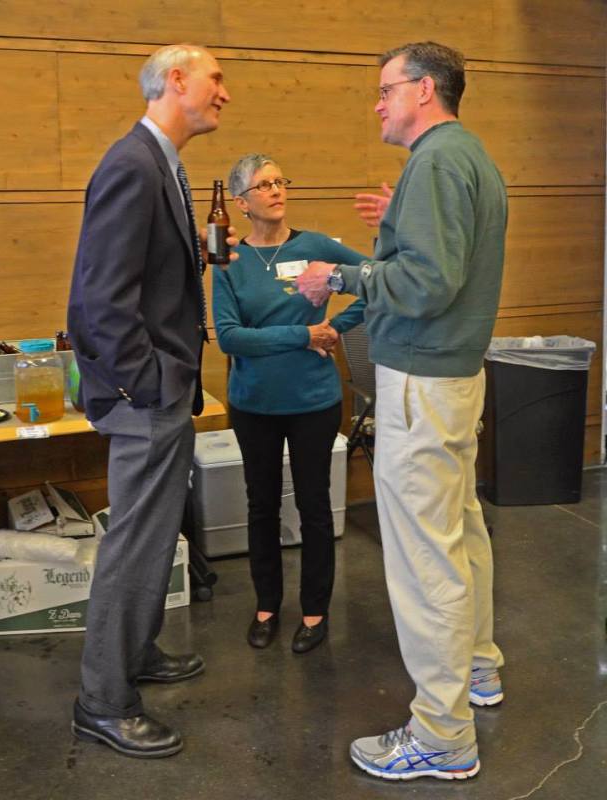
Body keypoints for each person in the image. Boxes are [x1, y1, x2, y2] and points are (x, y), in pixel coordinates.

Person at [296, 41, 506, 781]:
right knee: (458, 532)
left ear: (424, 90)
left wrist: (341, 276)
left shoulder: (440, 162)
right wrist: (399, 217)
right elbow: (441, 257)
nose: (378, 103)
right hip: (452, 378)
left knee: (425, 561)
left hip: (422, 382)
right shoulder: (462, 157)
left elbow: (426, 285)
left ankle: (442, 736)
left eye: (387, 90)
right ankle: (478, 669)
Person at [67, 44, 234, 759]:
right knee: (134, 546)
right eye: (216, 78)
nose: (225, 92)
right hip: (147, 395)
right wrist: (150, 384)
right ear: (176, 80)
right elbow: (96, 302)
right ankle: (102, 700)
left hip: (163, 390)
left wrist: (190, 252)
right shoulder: (132, 164)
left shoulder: (168, 164)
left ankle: (135, 652)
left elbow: (144, 274)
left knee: (156, 538)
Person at [212, 153, 366, 654]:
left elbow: (376, 282)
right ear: (240, 202)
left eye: (281, 181)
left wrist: (334, 330)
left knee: (315, 506)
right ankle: (266, 606)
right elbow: (232, 338)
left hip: (313, 401)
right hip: (254, 403)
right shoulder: (230, 261)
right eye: (264, 185)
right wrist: (303, 334)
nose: (277, 190)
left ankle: (315, 611)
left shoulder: (317, 246)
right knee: (261, 506)